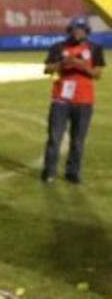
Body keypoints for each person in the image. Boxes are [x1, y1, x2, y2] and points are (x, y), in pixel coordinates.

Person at [41, 15, 104, 184]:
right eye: (75, 29)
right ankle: (49, 172)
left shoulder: (95, 48)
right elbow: (47, 69)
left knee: (77, 140)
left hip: (84, 101)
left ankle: (72, 173)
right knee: (54, 138)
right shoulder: (58, 47)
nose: (78, 32)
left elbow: (98, 74)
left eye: (81, 29)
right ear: (70, 30)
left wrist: (81, 65)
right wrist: (62, 64)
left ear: (86, 31)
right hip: (60, 99)